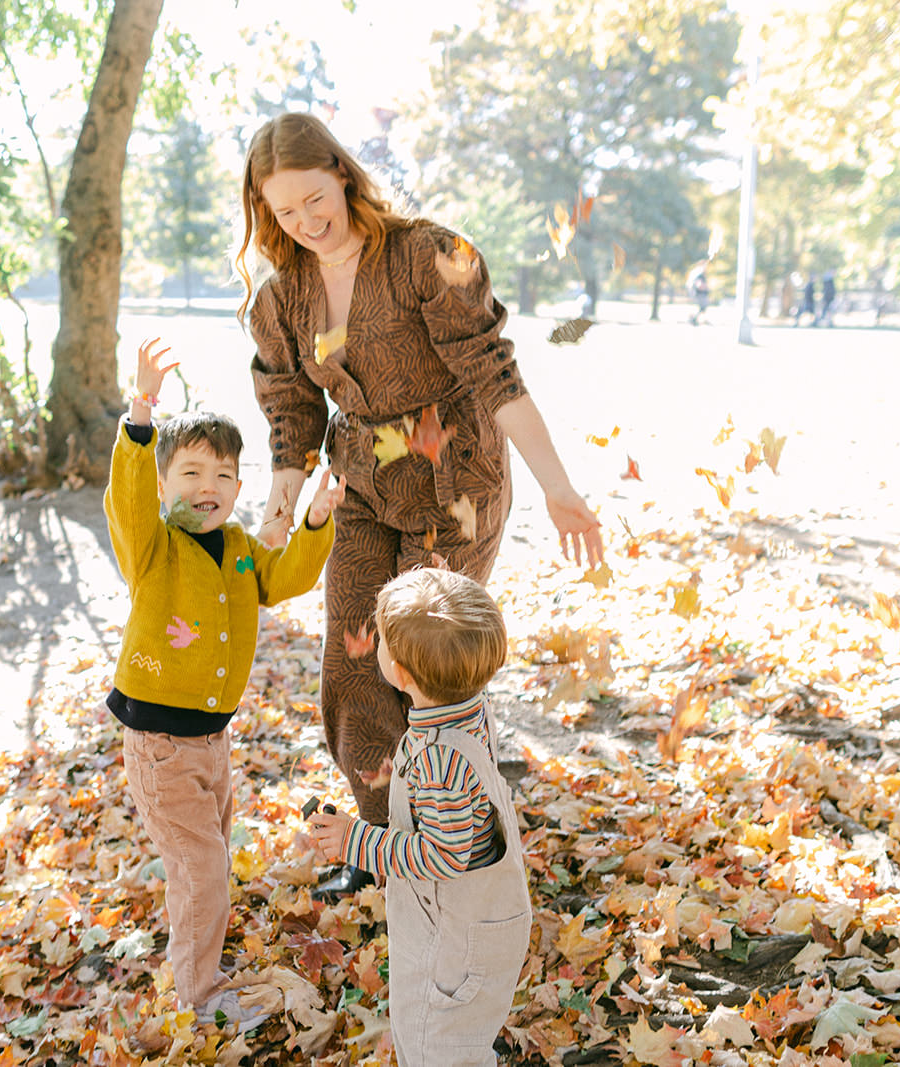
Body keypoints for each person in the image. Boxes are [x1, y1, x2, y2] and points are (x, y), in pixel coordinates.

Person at [235, 111, 602, 898]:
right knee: (354, 659)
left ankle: (457, 833)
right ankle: (384, 848)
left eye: (313, 198)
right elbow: (291, 415)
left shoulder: (426, 254)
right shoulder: (283, 299)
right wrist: (275, 515)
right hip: (361, 483)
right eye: (284, 211)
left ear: (341, 170)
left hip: (454, 479)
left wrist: (558, 484)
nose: (304, 221)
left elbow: (493, 374)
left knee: (427, 661)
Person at [105, 337, 345, 1025]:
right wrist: (141, 409)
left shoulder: (239, 550)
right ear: (163, 484)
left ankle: (198, 965)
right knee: (202, 868)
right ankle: (199, 996)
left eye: (221, 475)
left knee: (205, 865)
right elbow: (126, 499)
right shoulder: (152, 547)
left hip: (212, 742)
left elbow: (285, 577)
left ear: (239, 487)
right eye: (189, 473)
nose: (206, 488)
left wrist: (317, 519)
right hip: (159, 743)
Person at [307, 567, 530, 1067]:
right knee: (458, 1040)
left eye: (383, 642)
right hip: (478, 921)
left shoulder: (436, 761)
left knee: (437, 1046)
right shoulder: (469, 708)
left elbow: (443, 854)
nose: (377, 648)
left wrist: (356, 840)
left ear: (401, 674)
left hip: (451, 940)